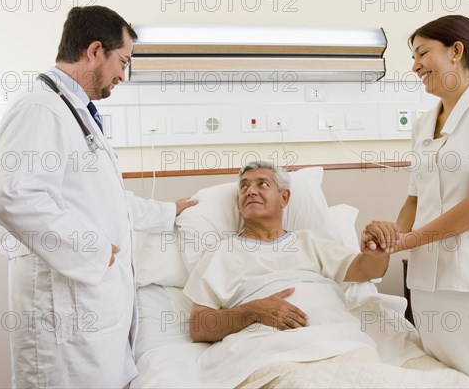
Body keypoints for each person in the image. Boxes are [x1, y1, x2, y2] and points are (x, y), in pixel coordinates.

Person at [0, 6, 197, 388]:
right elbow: (12, 197)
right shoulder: (40, 108)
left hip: (89, 315)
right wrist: (95, 248)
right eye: (122, 61)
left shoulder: (76, 113)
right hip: (62, 320)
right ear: (95, 51)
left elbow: (107, 202)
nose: (122, 74)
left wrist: (169, 212)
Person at [363, 15, 469, 388]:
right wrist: (390, 239)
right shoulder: (423, 124)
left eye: (422, 52)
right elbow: (414, 199)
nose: (415, 65)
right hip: (426, 286)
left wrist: (409, 240)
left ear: (456, 52)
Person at [179, 162, 422, 387]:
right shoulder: (223, 253)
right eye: (244, 187)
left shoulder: (310, 241)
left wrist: (377, 251)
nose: (250, 191)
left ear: (284, 197)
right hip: (269, 351)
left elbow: (365, 270)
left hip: (341, 342)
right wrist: (252, 311)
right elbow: (200, 326)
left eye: (262, 184)